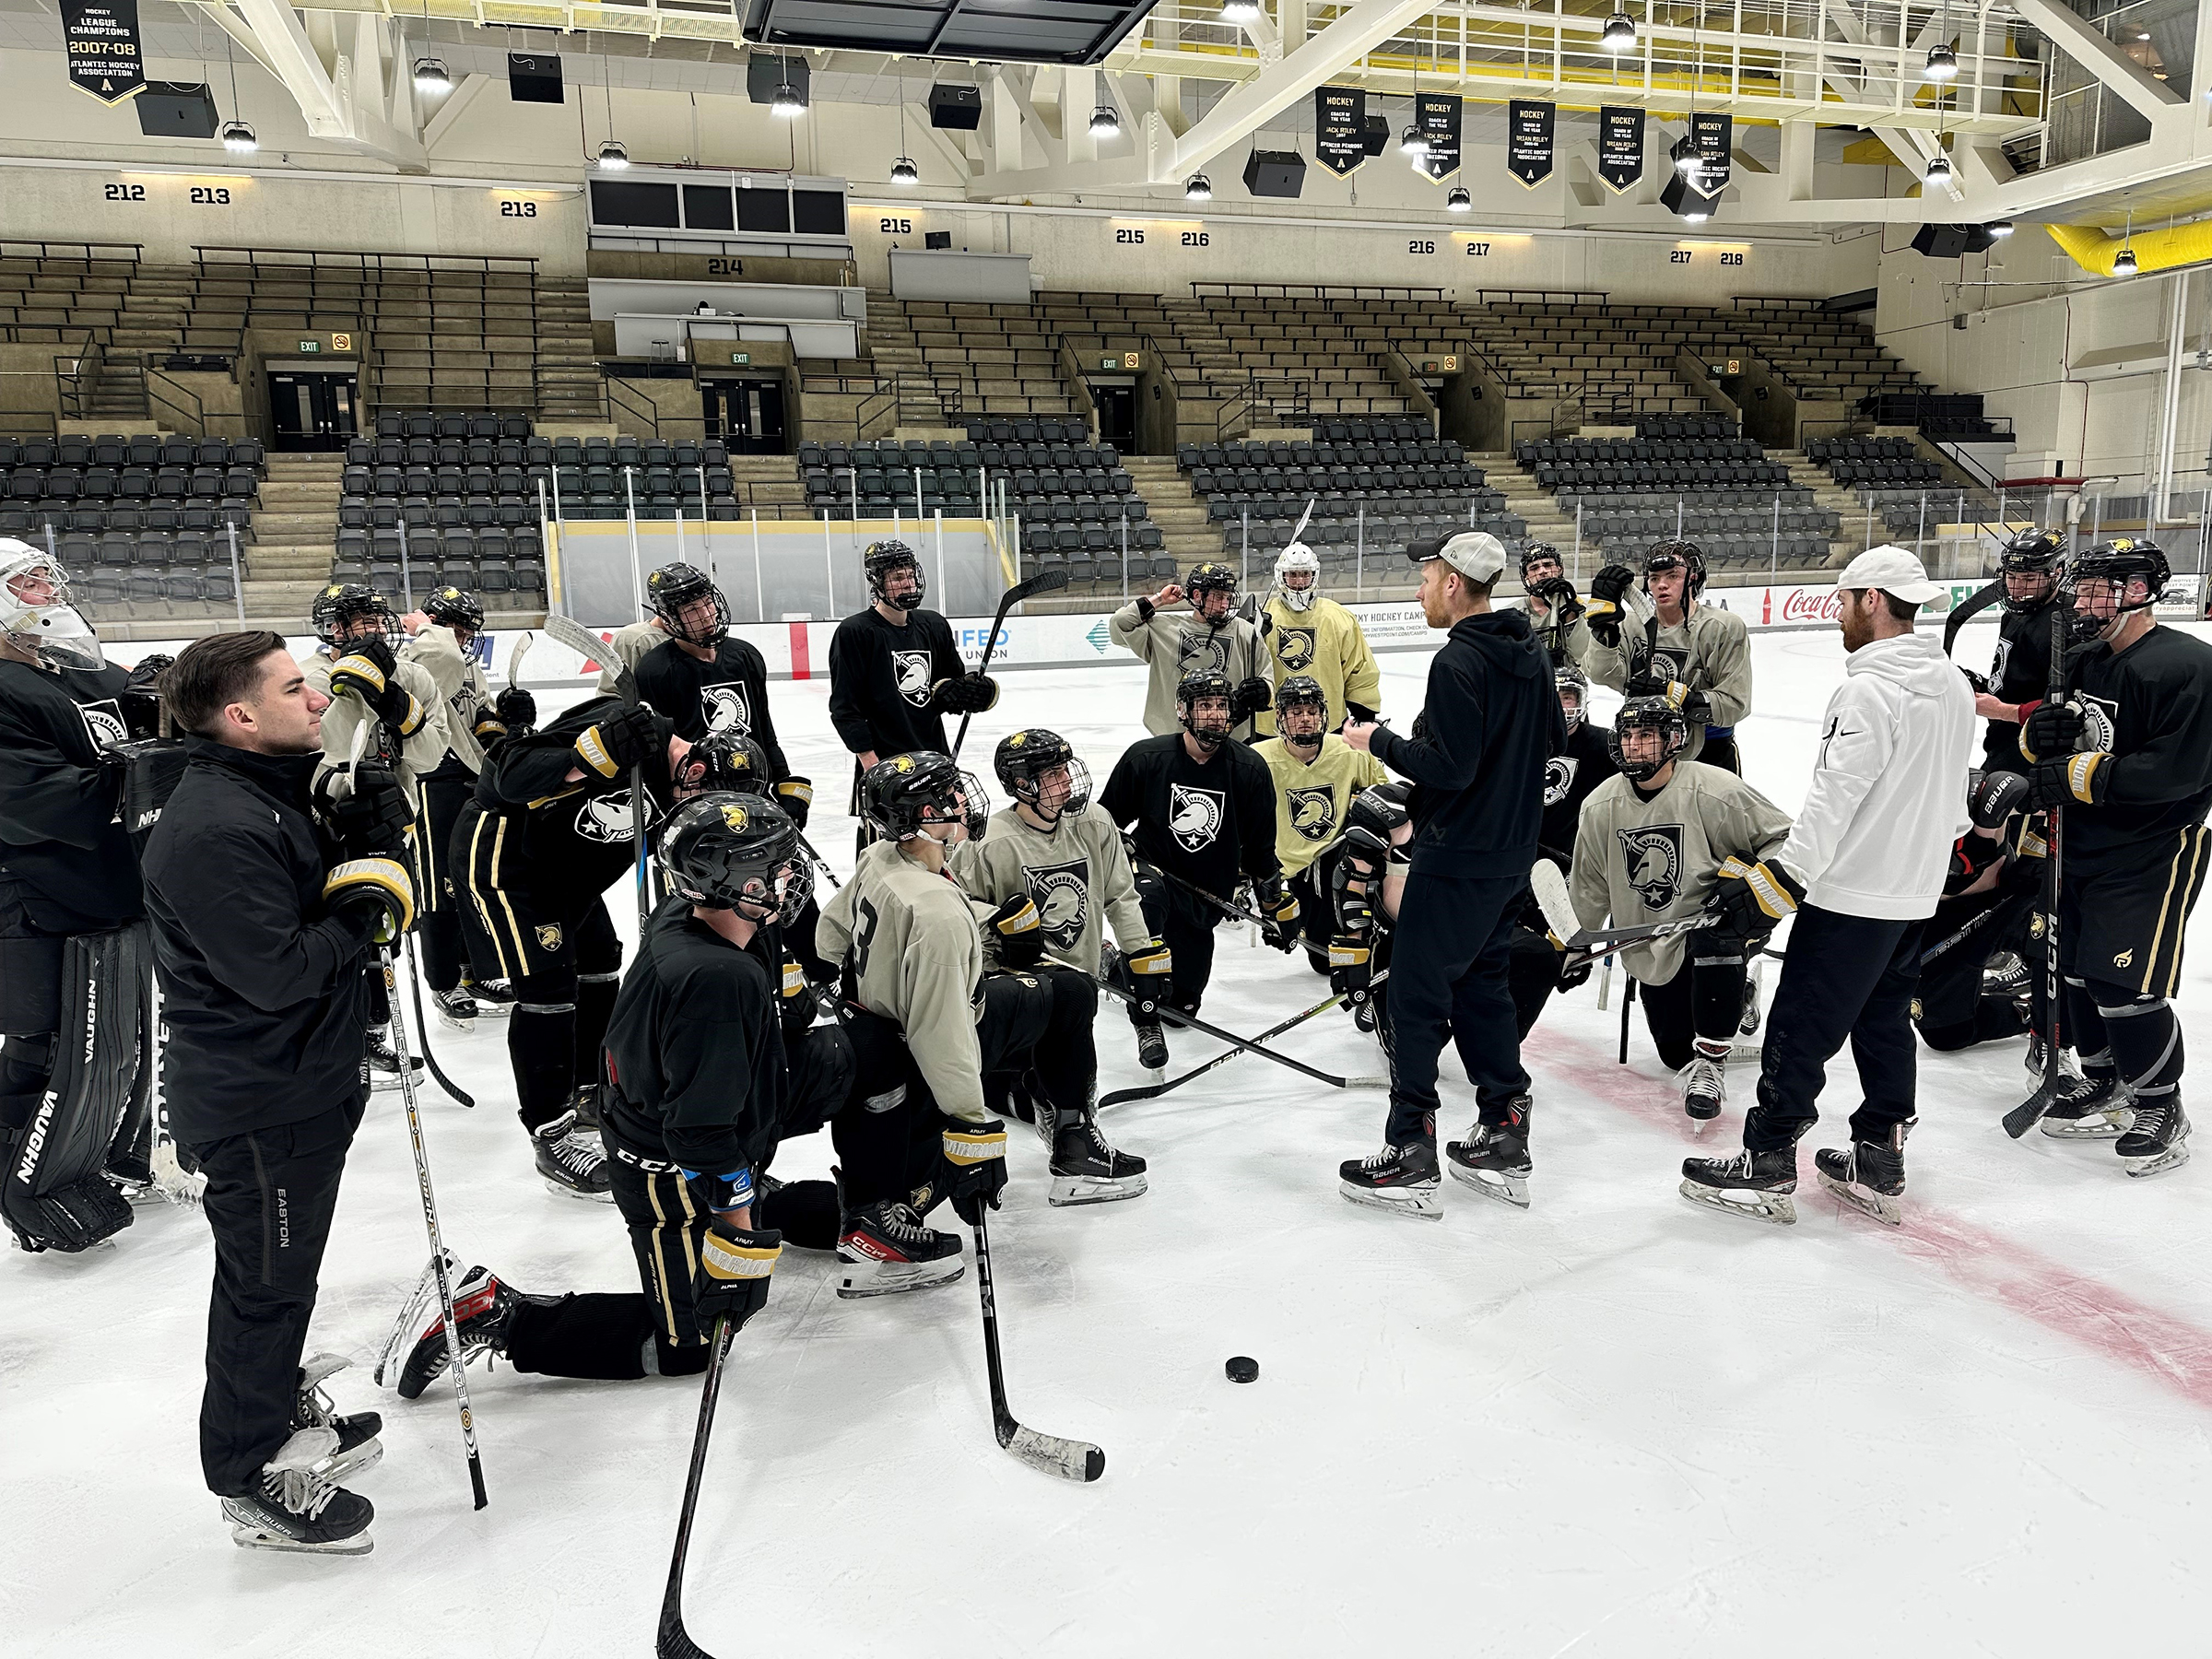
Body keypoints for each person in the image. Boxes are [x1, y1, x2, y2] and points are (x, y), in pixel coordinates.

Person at [388, 793, 851, 1397]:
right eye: (776, 865)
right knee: (696, 1343)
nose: (794, 876)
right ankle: (496, 1312)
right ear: (732, 881)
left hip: (695, 1128)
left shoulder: (709, 919)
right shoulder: (716, 978)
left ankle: (762, 1193)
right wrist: (735, 1223)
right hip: (667, 1169)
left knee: (842, 1062)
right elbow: (700, 1132)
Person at [144, 630, 416, 1556]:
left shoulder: (261, 792)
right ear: (239, 715)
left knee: (283, 1278)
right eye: (297, 688)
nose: (317, 701)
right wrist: (365, 903)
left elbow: (300, 897)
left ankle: (272, 1403)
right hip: (261, 1104)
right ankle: (247, 1469)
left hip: (302, 1081)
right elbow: (278, 970)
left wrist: (358, 833)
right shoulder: (214, 828)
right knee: (262, 1287)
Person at [1681, 547, 1975, 1226]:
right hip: (1913, 892)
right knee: (1882, 1022)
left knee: (1801, 1023)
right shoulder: (1952, 682)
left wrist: (1783, 876)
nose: (1838, 614)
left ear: (1873, 599)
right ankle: (1879, 1151)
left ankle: (1767, 1158)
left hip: (1851, 895)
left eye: (1844, 601)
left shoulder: (1868, 689)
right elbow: (1951, 794)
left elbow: (1835, 796)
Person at [816, 754, 1121, 1289]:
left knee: (1060, 988)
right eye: (953, 795)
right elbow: (944, 1034)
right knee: (1072, 990)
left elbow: (830, 935)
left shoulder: (881, 856)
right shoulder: (937, 916)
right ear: (928, 813)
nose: (965, 801)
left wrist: (990, 919)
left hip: (874, 1031)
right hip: (921, 1044)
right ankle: (1075, 1147)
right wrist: (971, 1128)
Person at [1338, 530, 1560, 1217]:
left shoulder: (1459, 660)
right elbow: (1550, 738)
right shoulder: (1530, 651)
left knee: (1414, 994)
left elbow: (1451, 768)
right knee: (1482, 987)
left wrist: (1376, 740)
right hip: (1509, 859)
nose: (1420, 588)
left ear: (1456, 584)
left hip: (1459, 856)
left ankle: (1410, 1147)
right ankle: (1502, 1128)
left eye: (1428, 576)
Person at [2013, 537, 2212, 1174]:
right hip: (2080, 841)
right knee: (2072, 968)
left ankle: (2159, 1101)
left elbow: (2176, 771)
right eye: (2087, 588)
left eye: (2107, 588)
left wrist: (2073, 775)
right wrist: (2034, 736)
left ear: (2145, 591)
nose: (2090, 601)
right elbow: (2058, 736)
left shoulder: (2189, 666)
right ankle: (2103, 1077)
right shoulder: (2084, 658)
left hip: (2152, 846)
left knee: (2122, 980)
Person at [465, 694, 692, 1201]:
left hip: (571, 869)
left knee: (598, 963)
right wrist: (584, 758)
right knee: (548, 988)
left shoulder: (687, 790)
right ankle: (550, 1132)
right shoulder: (631, 724)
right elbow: (510, 771)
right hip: (511, 861)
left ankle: (589, 1091)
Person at [0, 545, 151, 1253]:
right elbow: (40, 801)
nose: (44, 590)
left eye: (46, 578)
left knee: (111, 1042)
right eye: (26, 582)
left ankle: (101, 1155)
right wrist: (144, 779)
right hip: (32, 899)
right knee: (43, 1038)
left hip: (105, 887)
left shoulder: (64, 664)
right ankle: (18, 1182)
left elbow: (142, 712)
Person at [948, 729, 1154, 1202]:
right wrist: (999, 934)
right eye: (1052, 775)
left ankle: (1050, 1110)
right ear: (1022, 785)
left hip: (1078, 977)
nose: (1066, 782)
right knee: (1034, 1071)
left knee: (1068, 1072)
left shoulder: (1094, 822)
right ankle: (1069, 1139)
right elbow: (959, 909)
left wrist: (1140, 954)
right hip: (1019, 982)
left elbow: (1121, 893)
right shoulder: (990, 842)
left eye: (1065, 770)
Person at [1571, 698, 1794, 1124]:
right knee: (1675, 1054)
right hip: (1653, 938)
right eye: (1628, 737)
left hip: (1716, 926)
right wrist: (1574, 943)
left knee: (1716, 942)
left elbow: (1784, 839)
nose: (1634, 747)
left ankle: (1711, 1063)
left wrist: (1751, 889)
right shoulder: (1600, 806)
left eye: (1646, 736)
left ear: (1672, 740)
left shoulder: (1713, 788)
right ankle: (1741, 992)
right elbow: (1591, 885)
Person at [1100, 669, 1295, 1072]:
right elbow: (1104, 826)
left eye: (1222, 706)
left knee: (1183, 1008)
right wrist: (1123, 847)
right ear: (1183, 711)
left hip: (1206, 894)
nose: (1214, 715)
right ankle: (1146, 1019)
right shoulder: (1146, 758)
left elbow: (1260, 849)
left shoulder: (1249, 769)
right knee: (1148, 910)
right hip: (1152, 877)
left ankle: (1117, 970)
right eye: (1204, 705)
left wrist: (1275, 905)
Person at [302, 582, 456, 1088]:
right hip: (329, 825)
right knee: (338, 935)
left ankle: (370, 1034)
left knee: (381, 934)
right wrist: (352, 689)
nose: (364, 631)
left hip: (395, 823)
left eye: (370, 620)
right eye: (349, 623)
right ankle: (340, 1041)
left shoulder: (413, 676)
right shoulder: (310, 678)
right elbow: (323, 748)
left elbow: (430, 756)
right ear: (330, 631)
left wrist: (390, 697)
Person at [409, 585, 529, 1029]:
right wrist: (427, 627)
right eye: (455, 630)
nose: (463, 639)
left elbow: (477, 719)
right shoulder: (424, 655)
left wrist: (508, 719)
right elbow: (444, 660)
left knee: (470, 879)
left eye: (467, 632)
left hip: (469, 777)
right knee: (439, 886)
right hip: (430, 779)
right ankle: (443, 981)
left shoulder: (463, 661)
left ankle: (473, 972)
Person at [827, 540, 994, 842]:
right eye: (897, 578)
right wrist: (871, 767)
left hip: (934, 757)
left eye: (910, 575)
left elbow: (948, 689)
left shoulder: (933, 625)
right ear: (877, 582)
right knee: (887, 848)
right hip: (886, 764)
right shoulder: (856, 632)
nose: (908, 583)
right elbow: (844, 707)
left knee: (952, 837)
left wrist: (972, 693)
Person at [632, 560, 815, 830]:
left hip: (755, 796)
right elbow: (658, 751)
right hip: (698, 809)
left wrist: (784, 781)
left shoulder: (745, 656)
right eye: (692, 609)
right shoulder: (655, 670)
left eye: (708, 603)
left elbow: (764, 728)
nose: (706, 615)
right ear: (670, 617)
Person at [1506, 660, 1620, 1036]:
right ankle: (1499, 1032)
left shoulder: (1605, 746)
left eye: (1568, 696)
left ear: (1582, 701)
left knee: (1557, 962)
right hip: (1517, 862)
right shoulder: (1517, 741)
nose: (1561, 704)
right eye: (1554, 696)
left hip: (1575, 871)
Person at [1253, 675, 1386, 973]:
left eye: (1312, 712)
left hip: (1337, 858)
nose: (1305, 720)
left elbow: (1385, 801)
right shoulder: (1258, 759)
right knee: (1323, 962)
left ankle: (1370, 930)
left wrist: (1361, 804)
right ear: (1280, 717)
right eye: (1296, 713)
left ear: (1324, 715)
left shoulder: (1350, 751)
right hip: (1288, 869)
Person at [1582, 540, 1752, 771]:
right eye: (1654, 578)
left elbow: (1735, 706)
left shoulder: (1720, 627)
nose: (1662, 585)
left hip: (1708, 751)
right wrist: (1606, 629)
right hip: (1643, 749)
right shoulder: (1630, 625)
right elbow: (1602, 675)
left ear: (1693, 578)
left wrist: (1675, 695)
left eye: (1672, 576)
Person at [1912, 771, 2041, 1057]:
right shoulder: (1893, 807)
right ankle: (2030, 1012)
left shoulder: (1970, 792)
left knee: (2060, 954)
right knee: (1945, 1032)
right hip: (1948, 916)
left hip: (2011, 898)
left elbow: (2012, 786)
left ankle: (2060, 1014)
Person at [1109, 561, 1274, 742]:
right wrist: (1160, 599)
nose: (1224, 605)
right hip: (1173, 737)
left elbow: (1266, 674)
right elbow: (1120, 623)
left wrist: (1263, 690)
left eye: (1227, 598)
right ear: (1197, 595)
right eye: (1218, 597)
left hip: (1229, 737)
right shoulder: (1164, 629)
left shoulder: (1245, 631)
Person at [1251, 540, 1381, 736]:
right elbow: (1245, 667)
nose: (1299, 582)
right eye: (1293, 575)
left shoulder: (1338, 617)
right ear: (1281, 575)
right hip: (1272, 727)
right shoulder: (1261, 616)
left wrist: (1363, 712)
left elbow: (1359, 669)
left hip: (1326, 724)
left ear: (1314, 575)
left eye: (1305, 574)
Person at [1971, 528, 2067, 777]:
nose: (2016, 588)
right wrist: (1985, 687)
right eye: (2011, 577)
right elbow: (2018, 676)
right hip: (2002, 745)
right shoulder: (2014, 614)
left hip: (2033, 756)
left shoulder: (2064, 624)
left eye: (2028, 579)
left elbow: (2067, 704)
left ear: (2057, 573)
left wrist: (2003, 710)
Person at [1514, 541, 1589, 665]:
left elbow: (1582, 658)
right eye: (1534, 568)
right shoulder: (1515, 614)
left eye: (1548, 565)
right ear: (1526, 576)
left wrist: (1570, 616)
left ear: (1559, 569)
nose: (1542, 571)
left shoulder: (1582, 608)